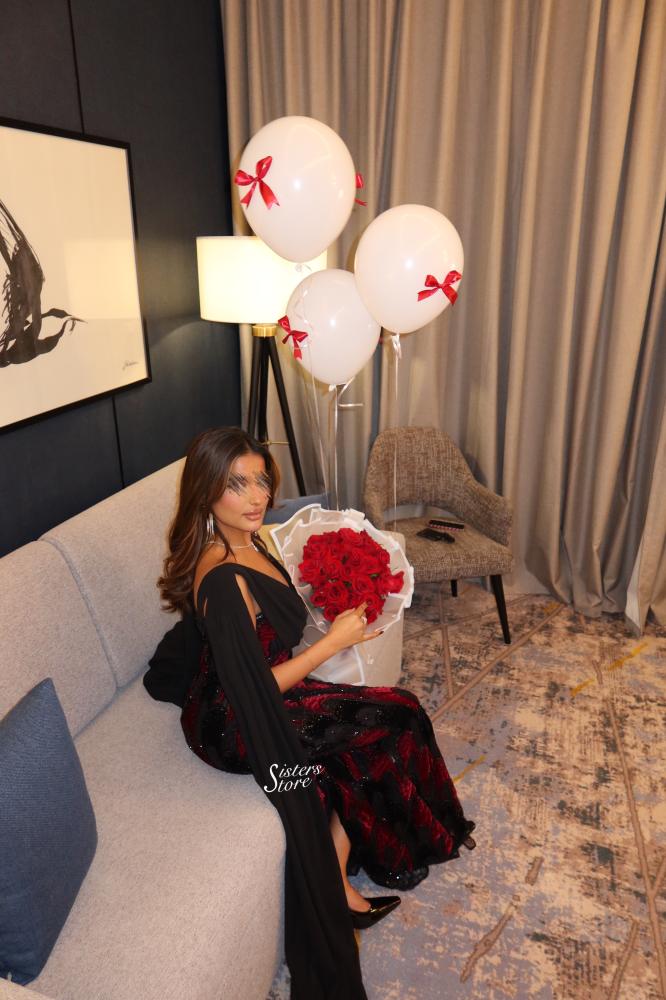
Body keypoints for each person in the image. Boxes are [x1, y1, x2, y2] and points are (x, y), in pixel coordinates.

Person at [147, 427, 475, 1000]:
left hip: (261, 688)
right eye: (236, 485)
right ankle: (346, 882)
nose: (256, 497)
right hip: (237, 721)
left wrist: (340, 621)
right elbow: (254, 691)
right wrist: (331, 645)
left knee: (393, 713)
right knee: (388, 722)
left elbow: (271, 640)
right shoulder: (222, 579)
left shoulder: (250, 541)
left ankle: (344, 872)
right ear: (206, 492)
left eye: (260, 480)